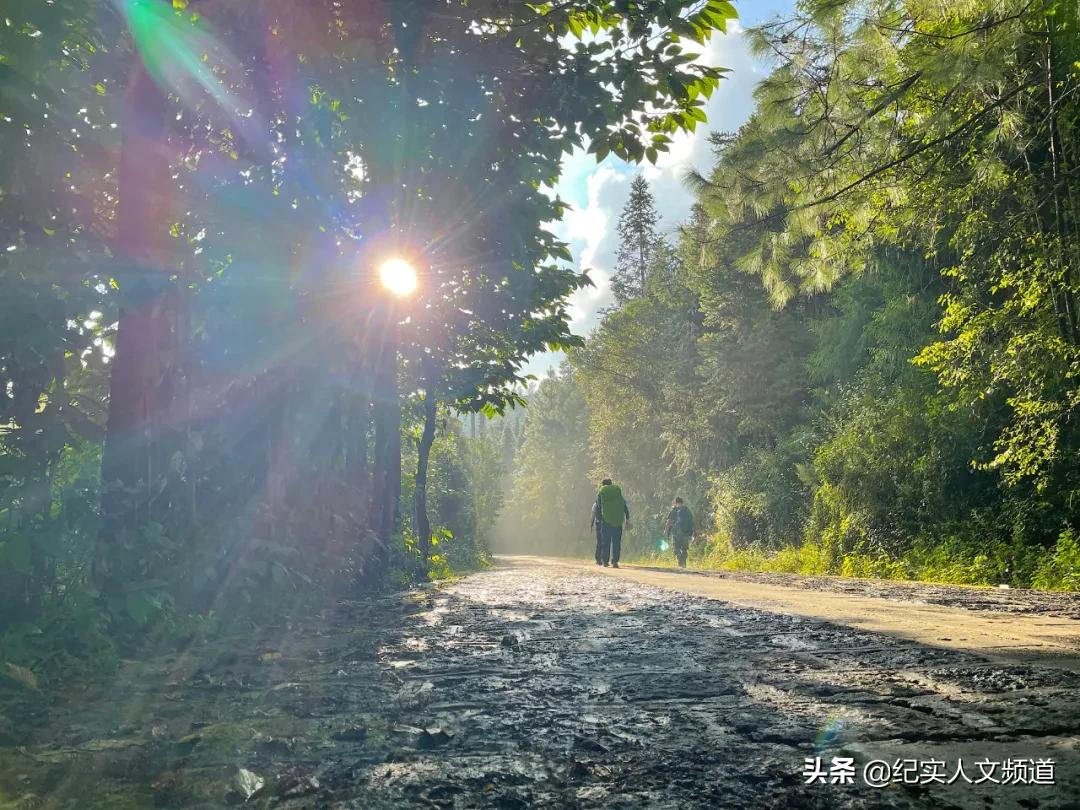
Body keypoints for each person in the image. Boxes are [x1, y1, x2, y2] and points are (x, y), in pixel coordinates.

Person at [595, 478, 630, 568]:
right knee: (616, 542)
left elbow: (598, 507)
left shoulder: (601, 493)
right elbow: (624, 505)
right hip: (617, 521)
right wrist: (627, 518)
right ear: (611, 484)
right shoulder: (617, 493)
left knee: (606, 541)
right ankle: (615, 561)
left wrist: (599, 520)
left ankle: (605, 561)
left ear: (603, 485)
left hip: (605, 521)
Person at [664, 496, 694, 568]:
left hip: (676, 533)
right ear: (682, 502)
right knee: (684, 548)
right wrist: (693, 533)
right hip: (686, 533)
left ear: (676, 502)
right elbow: (692, 522)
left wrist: (666, 531)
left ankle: (680, 561)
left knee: (676, 548)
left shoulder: (674, 510)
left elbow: (669, 522)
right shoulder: (687, 510)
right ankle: (683, 564)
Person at [590, 500, 603, 565]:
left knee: (599, 542)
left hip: (598, 524)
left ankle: (598, 559)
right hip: (606, 524)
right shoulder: (606, 502)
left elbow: (593, 516)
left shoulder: (595, 504)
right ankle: (603, 559)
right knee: (605, 541)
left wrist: (591, 525)